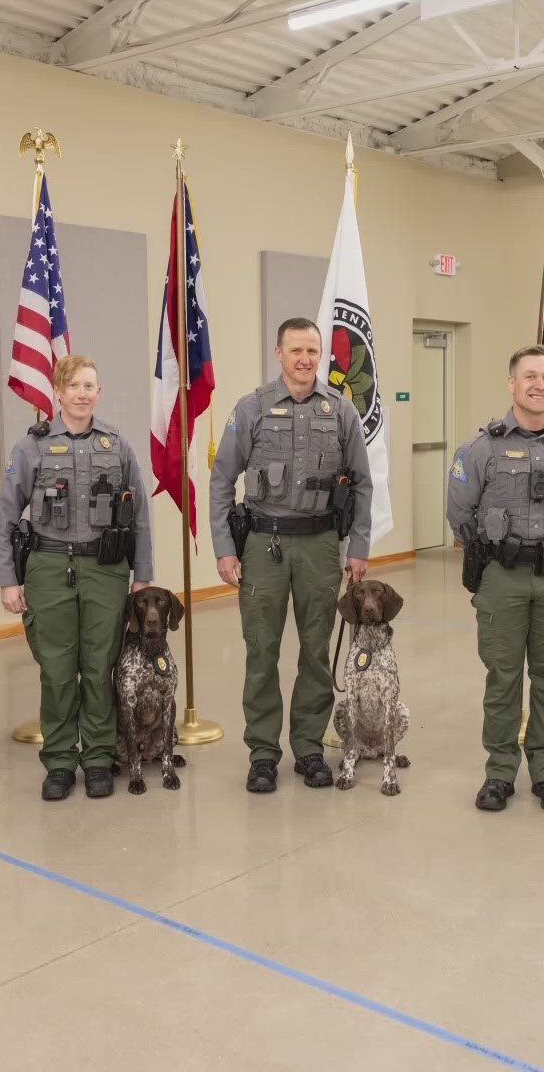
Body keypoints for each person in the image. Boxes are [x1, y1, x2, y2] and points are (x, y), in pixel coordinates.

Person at [210, 317, 373, 793]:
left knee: (316, 652)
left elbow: (362, 484)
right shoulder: (252, 408)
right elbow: (222, 480)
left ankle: (308, 748)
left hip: (322, 545)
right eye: (296, 350)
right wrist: (225, 548)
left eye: (313, 351)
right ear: (278, 353)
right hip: (263, 545)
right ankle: (262, 753)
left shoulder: (341, 411)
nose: (305, 360)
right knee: (261, 652)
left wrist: (358, 547)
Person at [447, 345, 544, 814]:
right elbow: (459, 513)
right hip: (502, 579)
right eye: (530, 377)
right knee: (504, 679)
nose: (540, 385)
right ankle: (499, 772)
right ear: (511, 384)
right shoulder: (481, 448)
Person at [0, 356, 154, 801]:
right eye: (75, 386)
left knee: (99, 667)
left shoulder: (117, 445)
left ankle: (99, 758)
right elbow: (7, 515)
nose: (83, 393)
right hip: (47, 568)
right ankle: (61, 761)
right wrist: (9, 579)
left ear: (99, 394)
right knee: (58, 670)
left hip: (105, 569)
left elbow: (140, 514)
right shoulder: (32, 448)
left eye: (91, 386)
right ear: (58, 393)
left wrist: (144, 576)